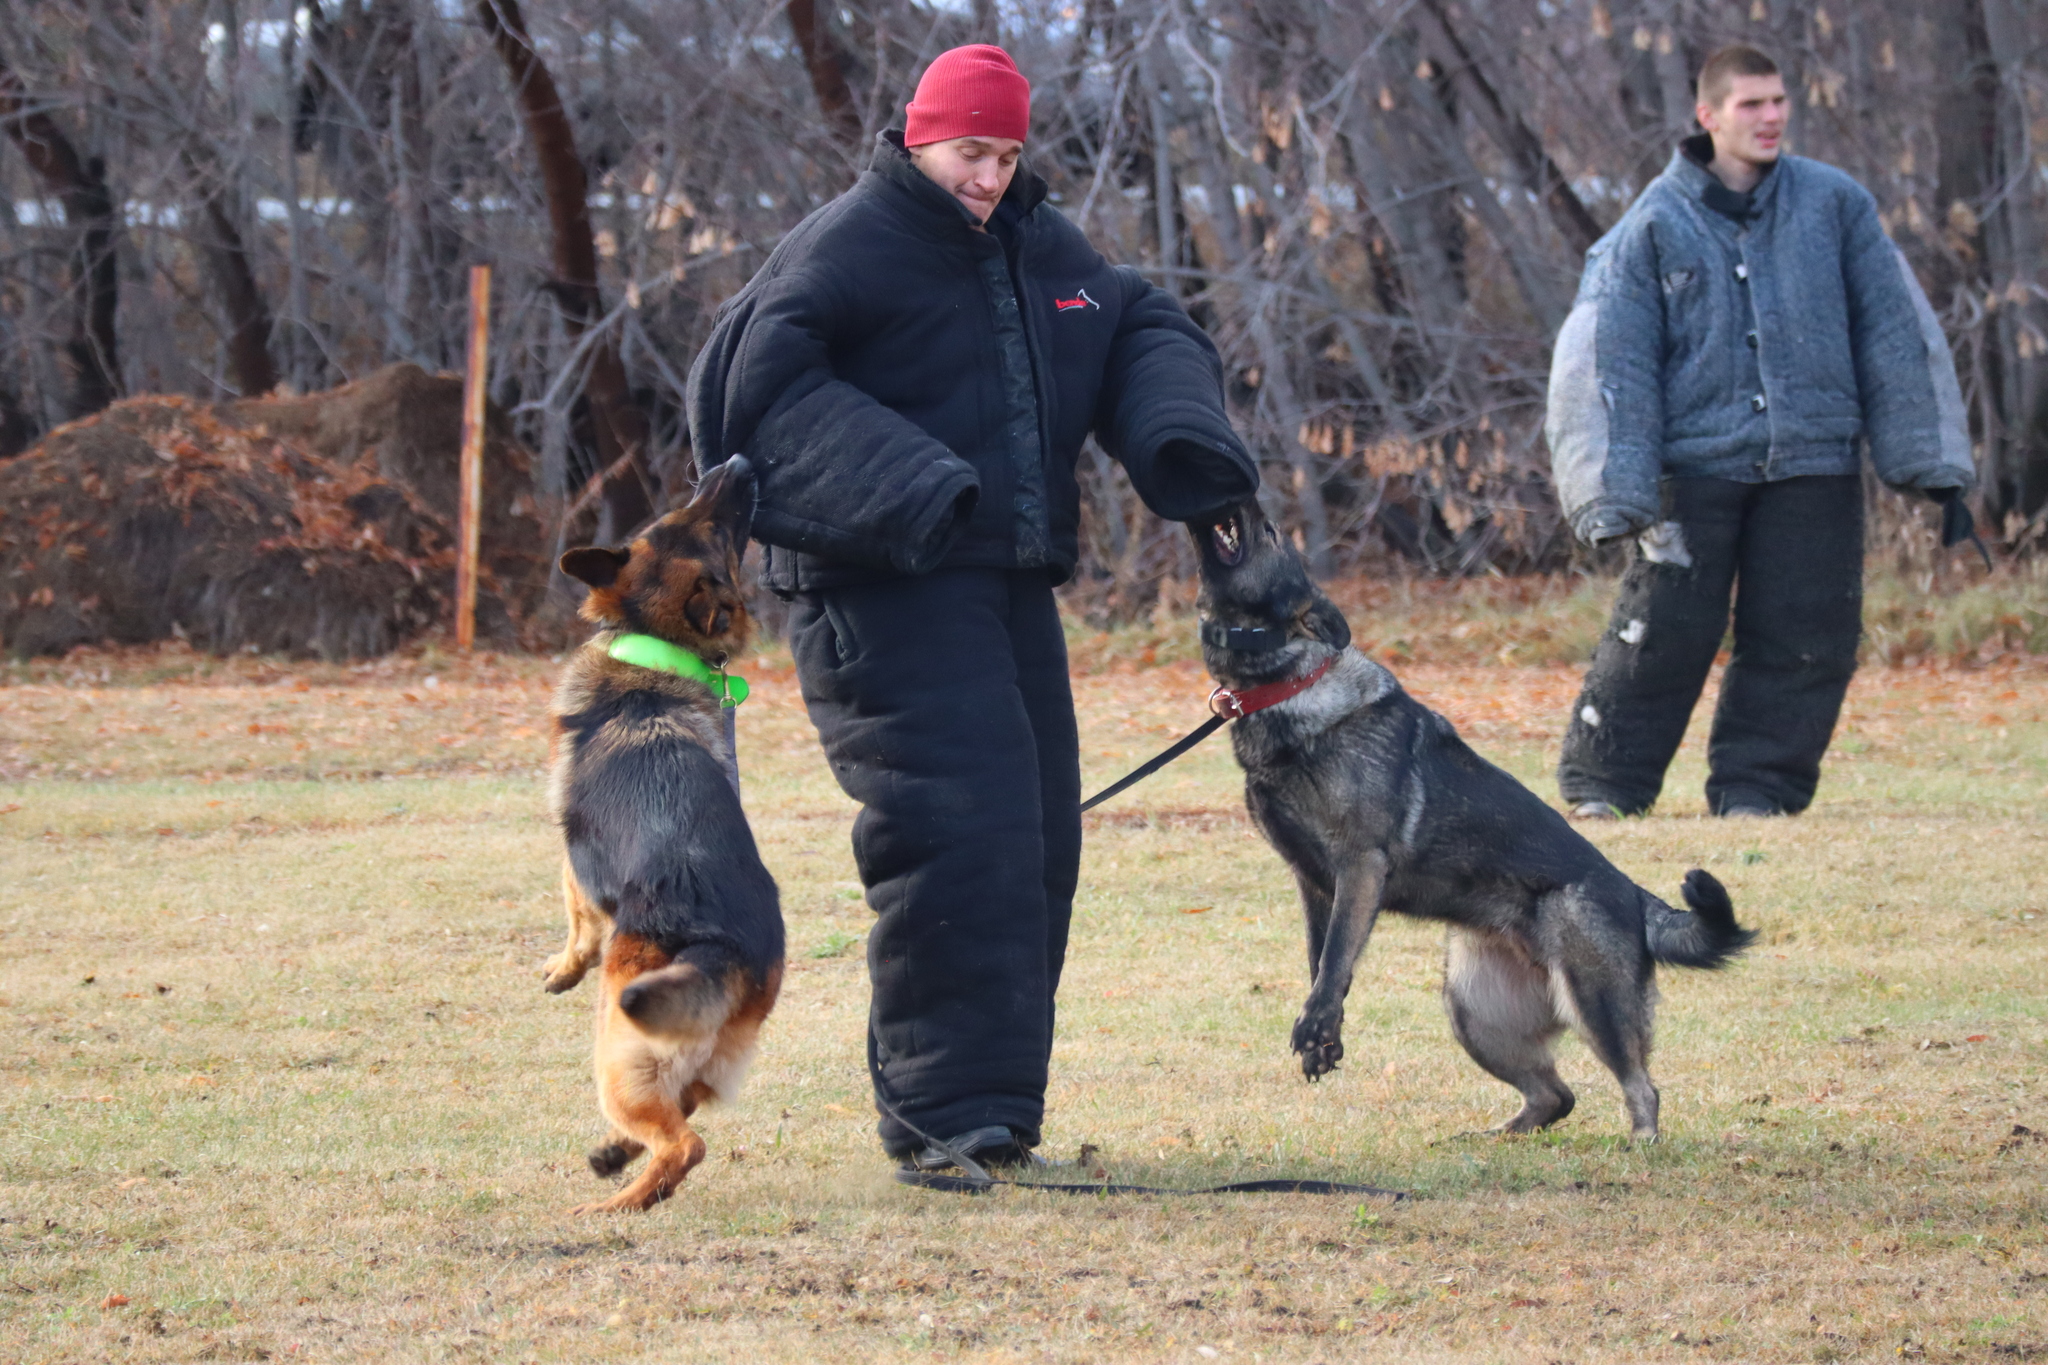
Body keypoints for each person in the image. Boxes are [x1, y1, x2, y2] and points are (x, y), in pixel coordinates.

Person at [686, 45, 1256, 1170]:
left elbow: (1133, 320)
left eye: (1004, 153)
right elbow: (742, 388)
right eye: (967, 153)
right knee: (957, 838)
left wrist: (1180, 436)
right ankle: (941, 1124)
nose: (988, 176)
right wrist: (909, 485)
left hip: (1000, 582)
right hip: (877, 591)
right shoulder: (849, 243)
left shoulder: (1040, 245)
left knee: (1034, 843)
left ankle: (986, 1121)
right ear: (916, 138)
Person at [1544, 43, 1977, 820]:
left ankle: (1759, 793)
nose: (1772, 117)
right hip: (1696, 469)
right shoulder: (1651, 225)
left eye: (1778, 101)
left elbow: (1895, 329)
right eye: (1752, 105)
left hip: (1815, 461)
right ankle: (1603, 789)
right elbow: (1608, 359)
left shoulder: (1836, 205)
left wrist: (1927, 457)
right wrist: (1612, 489)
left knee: (1807, 638)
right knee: (1662, 635)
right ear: (1708, 117)